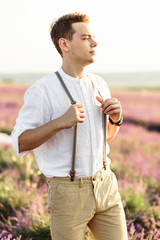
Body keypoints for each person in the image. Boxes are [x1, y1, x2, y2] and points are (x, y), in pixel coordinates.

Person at [12, 12, 128, 240]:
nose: (94, 43)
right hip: (67, 191)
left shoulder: (99, 84)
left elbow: (105, 138)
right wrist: (59, 123)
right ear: (64, 44)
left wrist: (116, 119)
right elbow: (19, 142)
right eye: (85, 38)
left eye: (93, 37)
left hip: (106, 185)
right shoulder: (41, 90)